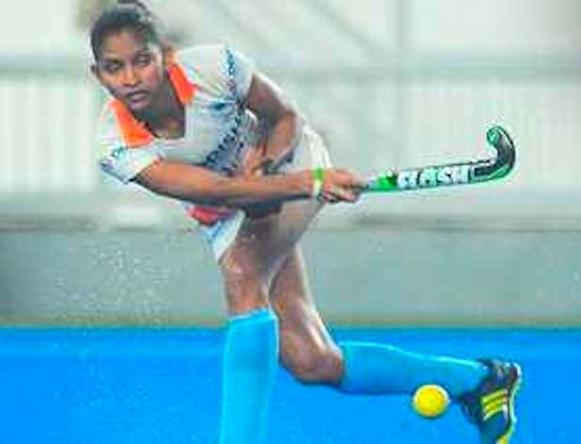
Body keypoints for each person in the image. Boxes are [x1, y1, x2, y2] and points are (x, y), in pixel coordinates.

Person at [89, 2, 521, 443]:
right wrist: (306, 184)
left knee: (243, 275)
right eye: (114, 67)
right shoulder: (115, 146)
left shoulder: (215, 68)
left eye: (142, 60)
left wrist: (276, 165)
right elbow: (220, 192)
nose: (131, 78)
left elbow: (285, 117)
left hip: (292, 159)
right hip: (234, 210)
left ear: (166, 54)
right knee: (313, 361)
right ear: (98, 74)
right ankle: (479, 380)